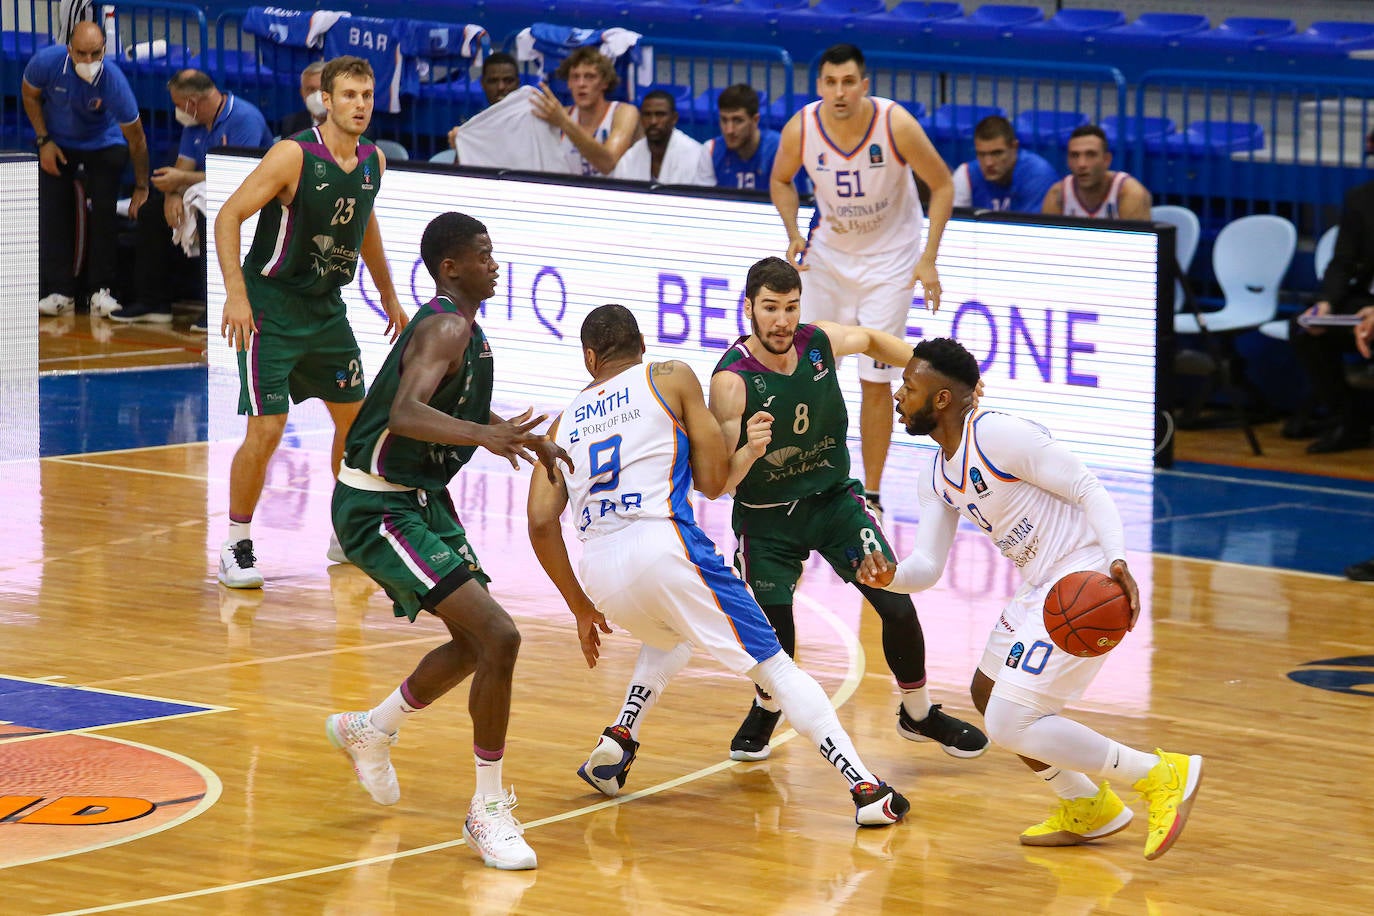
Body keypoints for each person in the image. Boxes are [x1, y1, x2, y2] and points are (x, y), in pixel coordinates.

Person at [526, 302, 911, 828]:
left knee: (673, 633)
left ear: (589, 358)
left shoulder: (564, 419)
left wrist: (578, 607)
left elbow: (541, 523)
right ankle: (864, 787)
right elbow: (712, 483)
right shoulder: (668, 374)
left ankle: (619, 740)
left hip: (599, 571)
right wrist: (747, 452)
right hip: (660, 545)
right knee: (775, 666)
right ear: (641, 346)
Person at [856, 337, 1204, 861]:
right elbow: (927, 567)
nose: (900, 396)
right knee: (986, 690)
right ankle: (1090, 807)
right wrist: (890, 578)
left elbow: (1089, 487)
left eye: (908, 387)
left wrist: (1117, 560)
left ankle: (1158, 774)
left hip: (1084, 581)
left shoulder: (997, 434)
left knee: (1008, 721)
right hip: (1039, 585)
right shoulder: (937, 474)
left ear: (943, 399)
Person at [327, 211, 566, 871]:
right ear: (451, 266)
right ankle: (487, 810)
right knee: (500, 637)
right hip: (377, 505)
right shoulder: (444, 325)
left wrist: (516, 432)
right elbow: (405, 413)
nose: (495, 262)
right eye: (484, 254)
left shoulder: (463, 329)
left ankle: (370, 729)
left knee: (477, 642)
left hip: (423, 500)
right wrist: (486, 438)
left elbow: (449, 410)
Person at [709, 256, 987, 761]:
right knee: (777, 638)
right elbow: (718, 485)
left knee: (895, 600)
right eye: (770, 308)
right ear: (748, 308)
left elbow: (875, 341)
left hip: (834, 501)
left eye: (791, 308)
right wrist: (747, 451)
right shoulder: (731, 382)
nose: (782, 321)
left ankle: (918, 714)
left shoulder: (818, 342)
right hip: (766, 518)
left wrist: (937, 375)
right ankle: (767, 706)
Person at [213, 55, 407, 589]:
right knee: (268, 429)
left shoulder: (374, 161)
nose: (360, 104)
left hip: (326, 311)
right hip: (270, 307)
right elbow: (228, 215)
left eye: (366, 95)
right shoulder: (292, 155)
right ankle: (236, 543)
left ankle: (345, 532)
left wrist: (389, 294)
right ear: (326, 99)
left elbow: (364, 224)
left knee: (357, 425)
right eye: (349, 95)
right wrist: (235, 294)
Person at [770, 43, 953, 520]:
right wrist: (792, 233)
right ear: (819, 87)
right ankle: (799, 479)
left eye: (848, 82)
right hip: (828, 258)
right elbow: (780, 180)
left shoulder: (895, 124)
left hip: (890, 263)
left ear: (864, 85)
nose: (839, 92)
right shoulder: (802, 127)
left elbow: (944, 183)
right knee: (798, 364)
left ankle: (869, 494)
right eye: (830, 82)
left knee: (877, 379)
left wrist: (928, 258)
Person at [113, 69, 273, 325]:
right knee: (151, 213)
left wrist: (181, 182)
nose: (177, 110)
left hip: (248, 198)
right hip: (204, 193)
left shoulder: (245, 118)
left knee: (207, 214)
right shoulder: (193, 124)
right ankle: (153, 302)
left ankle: (215, 306)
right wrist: (171, 195)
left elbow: (237, 173)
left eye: (178, 104)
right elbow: (181, 169)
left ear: (193, 103)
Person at [22, 19, 150, 318]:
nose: (89, 61)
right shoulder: (46, 63)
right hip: (59, 143)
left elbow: (137, 138)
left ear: (104, 50)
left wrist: (141, 187)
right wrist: (44, 141)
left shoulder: (113, 81)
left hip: (103, 144)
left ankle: (100, 291)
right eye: (82, 53)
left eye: (95, 54)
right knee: (54, 209)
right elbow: (30, 94)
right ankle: (60, 292)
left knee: (103, 211)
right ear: (69, 50)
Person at [1287, 181, 1374, 454]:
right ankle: (1349, 421)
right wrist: (1325, 303)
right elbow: (1342, 261)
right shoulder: (1361, 197)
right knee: (1306, 328)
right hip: (1365, 298)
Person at [530, 45, 639, 177]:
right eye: (575, 77)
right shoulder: (559, 115)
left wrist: (564, 123)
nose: (581, 84)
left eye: (589, 77)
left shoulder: (623, 113)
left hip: (614, 195)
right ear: (569, 83)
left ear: (605, 82)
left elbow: (608, 164)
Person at [1041, 124, 1151, 221]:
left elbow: (1136, 243)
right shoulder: (1057, 195)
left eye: (1090, 155)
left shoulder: (1130, 193)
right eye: (1074, 155)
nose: (1081, 164)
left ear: (1106, 160)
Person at [951, 115, 1058, 213]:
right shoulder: (966, 175)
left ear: (1014, 147)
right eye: (981, 154)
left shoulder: (1038, 174)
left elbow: (1032, 229)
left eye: (997, 153)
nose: (988, 163)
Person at [611, 88, 714, 185]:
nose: (653, 121)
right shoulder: (630, 158)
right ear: (641, 119)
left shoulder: (696, 156)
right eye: (647, 115)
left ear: (674, 118)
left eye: (660, 114)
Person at [703, 83, 782, 191]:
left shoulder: (779, 150)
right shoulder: (710, 151)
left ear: (755, 120)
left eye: (738, 121)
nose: (729, 130)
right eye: (724, 120)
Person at [446, 52, 522, 153]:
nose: (501, 87)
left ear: (518, 83)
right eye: (493, 81)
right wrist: (460, 147)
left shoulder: (532, 122)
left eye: (508, 80)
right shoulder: (474, 129)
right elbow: (461, 168)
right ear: (483, 83)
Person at [277, 60, 327, 138]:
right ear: (302, 94)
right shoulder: (291, 124)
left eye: (323, 88)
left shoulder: (347, 124)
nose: (318, 96)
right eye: (311, 89)